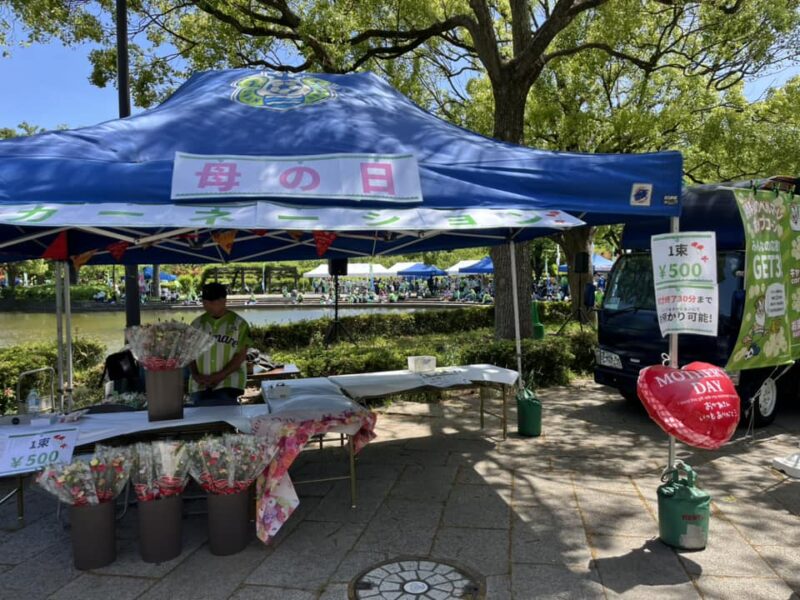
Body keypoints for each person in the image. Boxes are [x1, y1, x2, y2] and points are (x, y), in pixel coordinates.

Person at [188, 283, 251, 406]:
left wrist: (219, 376)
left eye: (213, 302)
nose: (209, 305)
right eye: (205, 302)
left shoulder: (239, 324)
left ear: (224, 300)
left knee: (224, 417)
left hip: (229, 382)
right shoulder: (196, 324)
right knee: (201, 418)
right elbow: (190, 353)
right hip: (200, 383)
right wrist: (195, 375)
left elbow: (240, 356)